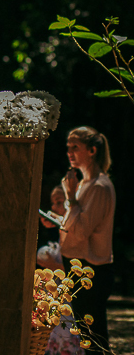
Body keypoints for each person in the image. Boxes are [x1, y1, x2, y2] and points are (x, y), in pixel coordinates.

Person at [60, 127, 116, 352]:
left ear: (92, 150)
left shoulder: (100, 187)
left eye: (76, 147)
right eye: (68, 148)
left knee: (94, 338)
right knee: (85, 336)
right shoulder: (85, 184)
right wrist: (57, 218)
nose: (69, 153)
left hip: (92, 270)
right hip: (78, 265)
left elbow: (82, 231)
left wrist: (71, 197)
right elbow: (76, 223)